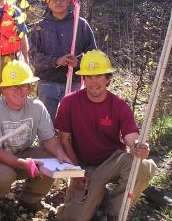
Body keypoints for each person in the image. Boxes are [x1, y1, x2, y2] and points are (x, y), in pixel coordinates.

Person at [54, 50, 157, 221]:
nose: (93, 82)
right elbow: (63, 140)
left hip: (112, 162)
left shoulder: (119, 106)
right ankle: (98, 198)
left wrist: (139, 147)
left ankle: (115, 213)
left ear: (108, 78)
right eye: (89, 76)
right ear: (83, 79)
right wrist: (75, 172)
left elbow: (132, 138)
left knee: (143, 166)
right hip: (84, 166)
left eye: (99, 76)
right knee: (73, 218)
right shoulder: (69, 102)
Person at [0, 60, 71, 220]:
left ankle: (29, 201)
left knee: (50, 161)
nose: (19, 91)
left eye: (24, 85)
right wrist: (23, 164)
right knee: (5, 174)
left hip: (20, 154)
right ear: (4, 89)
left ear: (30, 87)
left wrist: (61, 154)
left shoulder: (37, 107)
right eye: (14, 86)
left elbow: (49, 140)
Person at [30, 0, 96, 122]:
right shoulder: (40, 27)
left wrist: (78, 63)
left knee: (75, 124)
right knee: (46, 127)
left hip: (74, 83)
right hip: (48, 83)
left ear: (69, 1)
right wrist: (56, 61)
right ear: (47, 1)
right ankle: (48, 146)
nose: (58, 2)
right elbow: (34, 57)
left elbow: (93, 55)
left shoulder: (81, 24)